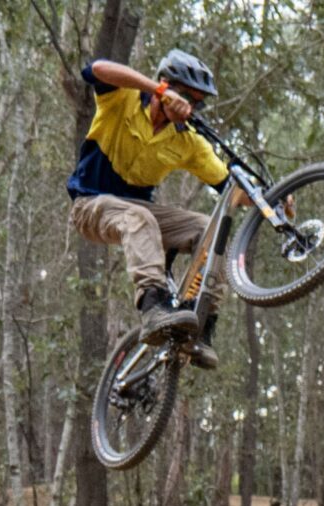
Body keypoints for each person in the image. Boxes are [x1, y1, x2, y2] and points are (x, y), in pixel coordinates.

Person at [65, 48, 227, 367]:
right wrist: (157, 91)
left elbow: (227, 181)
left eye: (197, 102)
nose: (189, 106)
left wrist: (275, 197)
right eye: (185, 96)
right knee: (139, 217)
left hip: (138, 212)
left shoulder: (188, 141)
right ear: (165, 84)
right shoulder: (122, 99)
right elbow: (97, 68)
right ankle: (153, 306)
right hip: (90, 205)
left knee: (210, 228)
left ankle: (202, 323)